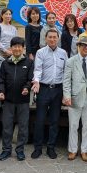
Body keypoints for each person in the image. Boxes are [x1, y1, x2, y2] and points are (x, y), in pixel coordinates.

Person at [31, 28, 68, 159]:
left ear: (58, 39)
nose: (52, 39)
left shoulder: (63, 53)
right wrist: (36, 81)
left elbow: (65, 73)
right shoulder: (40, 52)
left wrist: (65, 92)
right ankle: (38, 147)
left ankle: (51, 147)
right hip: (44, 89)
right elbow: (37, 69)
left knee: (54, 120)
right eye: (50, 37)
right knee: (40, 120)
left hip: (58, 90)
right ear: (46, 39)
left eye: (54, 37)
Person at [0, 37, 34, 161]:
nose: (17, 49)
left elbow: (30, 79)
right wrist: (1, 92)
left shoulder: (29, 63)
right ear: (11, 48)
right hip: (8, 101)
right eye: (14, 46)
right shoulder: (5, 63)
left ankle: (20, 150)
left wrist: (27, 88)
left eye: (19, 46)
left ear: (23, 48)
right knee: (7, 127)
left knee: (23, 127)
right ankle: (6, 150)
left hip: (23, 101)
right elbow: (1, 80)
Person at [62, 35, 87, 161]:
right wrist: (67, 96)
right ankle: (72, 150)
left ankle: (85, 150)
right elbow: (66, 80)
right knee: (73, 125)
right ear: (79, 46)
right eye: (84, 45)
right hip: (74, 97)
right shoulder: (71, 61)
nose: (86, 48)